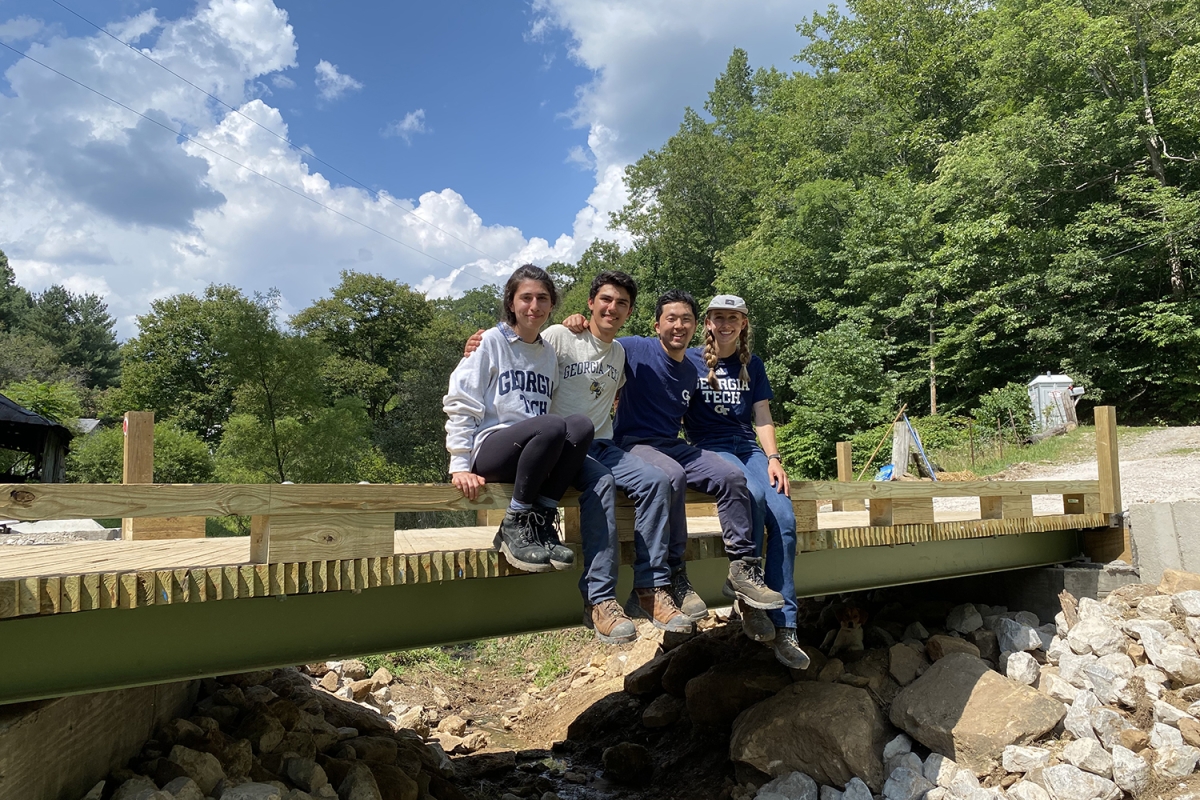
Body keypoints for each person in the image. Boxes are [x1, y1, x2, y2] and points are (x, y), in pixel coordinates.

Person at [464, 271, 691, 643]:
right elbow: (521, 341)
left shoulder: (620, 352)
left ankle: (650, 589)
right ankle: (600, 600)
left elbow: (669, 354)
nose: (612, 308)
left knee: (657, 480)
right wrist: (480, 341)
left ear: (629, 311)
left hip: (602, 443)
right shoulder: (560, 336)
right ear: (590, 303)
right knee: (599, 484)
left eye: (621, 303)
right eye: (605, 299)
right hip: (560, 443)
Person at [569, 290, 786, 617]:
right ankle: (672, 575)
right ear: (657, 325)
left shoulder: (692, 369)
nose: (678, 326)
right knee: (672, 475)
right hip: (634, 442)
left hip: (671, 444)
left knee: (732, 477)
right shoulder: (636, 348)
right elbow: (598, 339)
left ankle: (742, 569)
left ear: (697, 326)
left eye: (686, 319)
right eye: (671, 319)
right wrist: (576, 323)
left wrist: (768, 455)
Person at [684, 294, 809, 669]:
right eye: (718, 317)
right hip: (708, 445)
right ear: (707, 323)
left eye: (733, 318)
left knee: (785, 519)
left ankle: (786, 626)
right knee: (749, 493)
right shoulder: (688, 360)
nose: (725, 324)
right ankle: (749, 599)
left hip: (748, 446)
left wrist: (774, 458)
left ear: (743, 324)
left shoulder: (751, 364)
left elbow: (763, 414)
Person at [443, 264, 594, 573]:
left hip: (533, 451)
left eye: (542, 298)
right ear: (511, 302)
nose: (534, 306)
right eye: (526, 298)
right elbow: (461, 400)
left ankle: (541, 521)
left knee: (580, 426)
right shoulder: (489, 343)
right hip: (493, 449)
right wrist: (458, 464)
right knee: (552, 424)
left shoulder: (548, 353)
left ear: (552, 305)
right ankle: (514, 523)